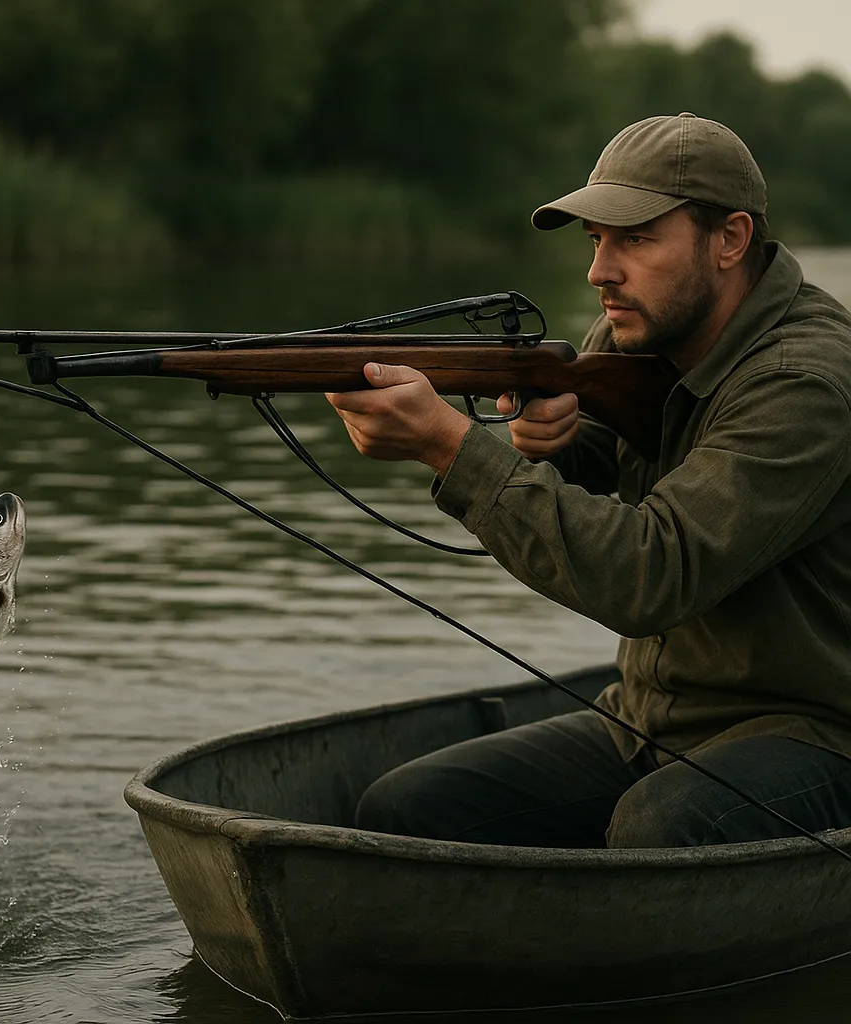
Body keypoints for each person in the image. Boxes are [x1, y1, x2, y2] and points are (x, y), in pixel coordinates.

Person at [325, 112, 851, 849]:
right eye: (596, 240)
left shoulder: (808, 382)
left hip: (820, 730)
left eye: (635, 240)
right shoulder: (639, 332)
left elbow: (650, 573)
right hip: (653, 715)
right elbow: (602, 456)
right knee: (408, 809)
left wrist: (451, 446)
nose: (600, 271)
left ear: (730, 239)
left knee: (657, 830)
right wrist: (552, 446)